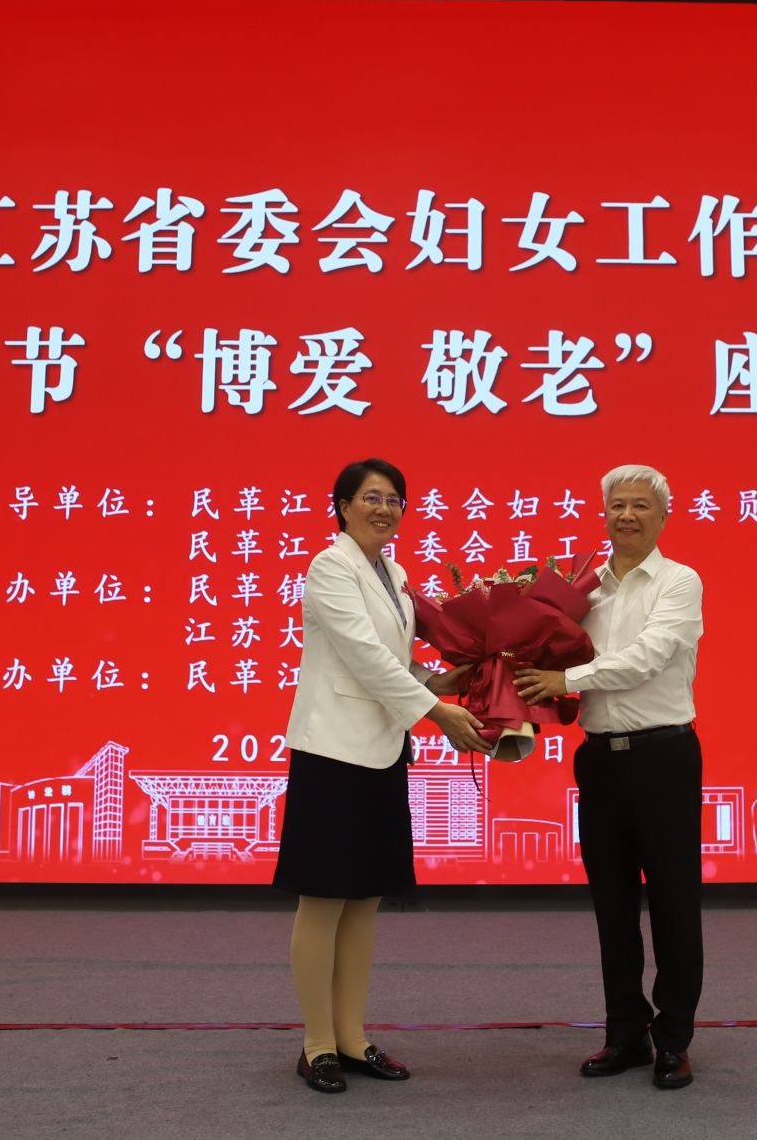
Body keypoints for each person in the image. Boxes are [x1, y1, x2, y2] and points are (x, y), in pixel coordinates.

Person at [273, 457, 493, 1094]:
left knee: (365, 902)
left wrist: (445, 682)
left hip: (383, 752)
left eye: (394, 499)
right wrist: (435, 711)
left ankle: (352, 1037)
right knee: (323, 902)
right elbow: (364, 657)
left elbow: (394, 661)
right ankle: (316, 1044)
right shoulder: (329, 567)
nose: (385, 508)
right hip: (332, 754)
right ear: (342, 507)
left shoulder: (394, 574)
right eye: (371, 497)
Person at [516, 463, 705, 1090]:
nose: (627, 515)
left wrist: (566, 679)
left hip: (664, 758)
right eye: (617, 505)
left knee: (674, 903)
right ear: (604, 514)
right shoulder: (583, 591)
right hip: (599, 760)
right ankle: (625, 1032)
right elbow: (539, 648)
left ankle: (673, 1040)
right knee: (613, 905)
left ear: (663, 516)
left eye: (641, 505)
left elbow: (648, 657)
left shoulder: (680, 582)